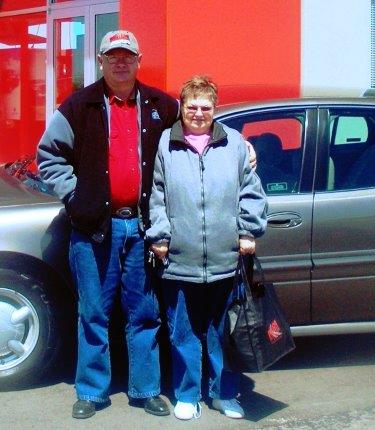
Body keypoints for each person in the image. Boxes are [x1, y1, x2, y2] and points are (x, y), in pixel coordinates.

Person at [37, 30, 178, 419]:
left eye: (127, 56)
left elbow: (199, 131)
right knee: (93, 313)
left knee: (144, 313)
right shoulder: (78, 105)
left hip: (145, 229)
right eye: (112, 56)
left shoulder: (161, 106)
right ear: (100, 61)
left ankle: (146, 388)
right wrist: (75, 195)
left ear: (138, 60)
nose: (120, 62)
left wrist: (236, 143)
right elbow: (49, 155)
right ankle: (91, 392)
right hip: (94, 229)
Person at [145, 75, 268, 421]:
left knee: (221, 334)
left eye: (205, 107)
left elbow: (251, 192)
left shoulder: (234, 144)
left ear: (215, 109)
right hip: (178, 260)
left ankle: (223, 394)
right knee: (182, 333)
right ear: (182, 108)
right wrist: (160, 236)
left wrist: (247, 230)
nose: (198, 113)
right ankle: (187, 395)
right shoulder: (167, 145)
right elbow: (157, 196)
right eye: (191, 107)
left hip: (224, 259)